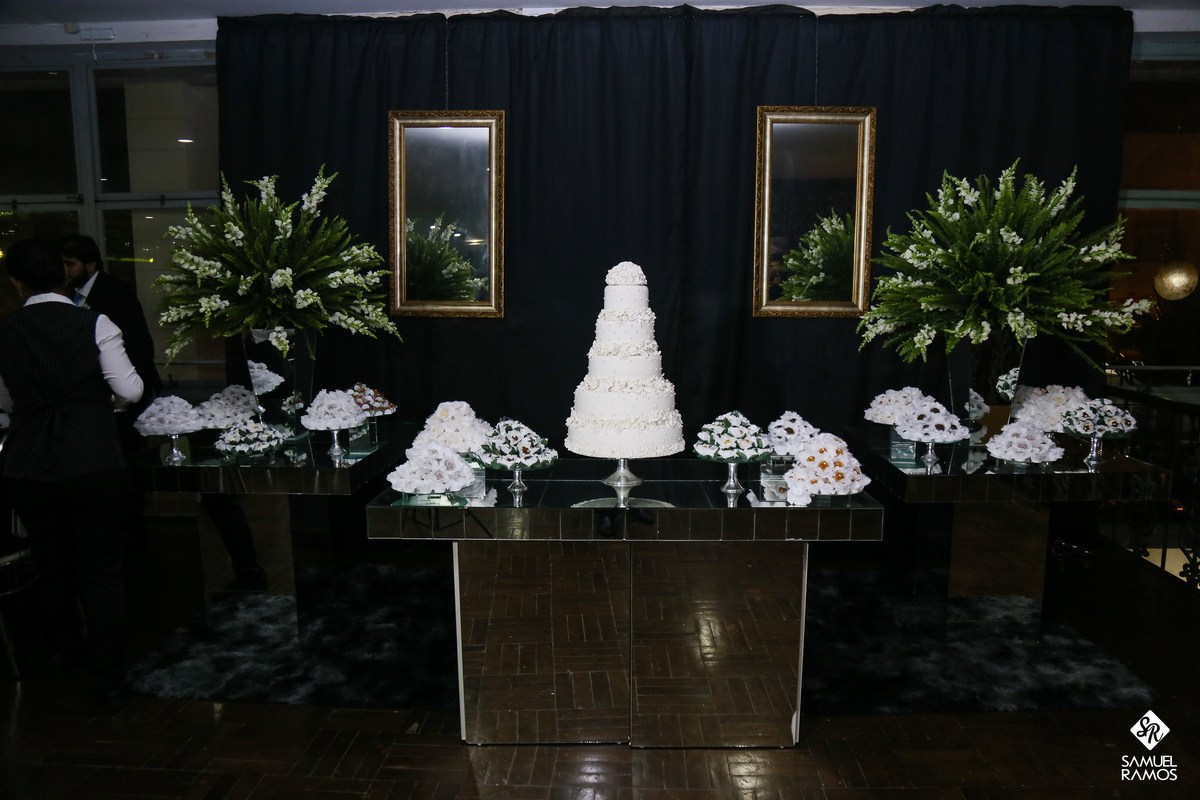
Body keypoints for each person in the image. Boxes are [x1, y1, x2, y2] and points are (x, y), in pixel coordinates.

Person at [0, 238, 144, 709]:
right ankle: (108, 677)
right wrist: (97, 405)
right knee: (101, 571)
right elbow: (130, 390)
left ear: (17, 283)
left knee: (51, 565)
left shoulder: (6, 330)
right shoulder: (94, 322)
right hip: (92, 460)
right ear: (65, 275)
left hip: (27, 463)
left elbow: (4, 400)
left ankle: (69, 654)